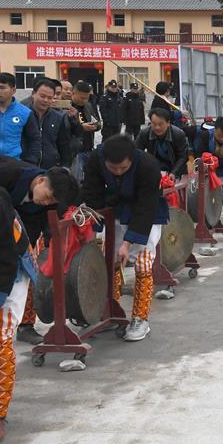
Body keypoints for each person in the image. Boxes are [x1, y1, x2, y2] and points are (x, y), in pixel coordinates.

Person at [0, 155, 80, 444]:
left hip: (10, 265)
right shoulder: (6, 180)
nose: (48, 203)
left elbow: (3, 261)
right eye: (49, 197)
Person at [81, 135, 168, 341]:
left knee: (143, 264)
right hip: (116, 211)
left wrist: (128, 243)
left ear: (132, 159)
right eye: (113, 168)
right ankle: (111, 310)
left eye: (123, 168)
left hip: (146, 215)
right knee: (111, 261)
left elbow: (147, 207)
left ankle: (140, 319)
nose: (118, 172)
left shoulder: (148, 165)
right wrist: (92, 232)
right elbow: (92, 194)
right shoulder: (95, 159)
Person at [0, 155, 80, 348]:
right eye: (48, 196)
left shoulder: (46, 204)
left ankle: (26, 325)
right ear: (41, 180)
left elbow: (32, 229)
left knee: (27, 271)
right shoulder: (5, 173)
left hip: (14, 232)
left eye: (52, 201)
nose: (47, 202)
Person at [22, 77, 73, 169]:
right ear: (33, 94)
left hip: (50, 167)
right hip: (26, 165)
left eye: (49, 98)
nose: (45, 100)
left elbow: (63, 144)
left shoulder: (58, 117)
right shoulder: (22, 114)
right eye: (42, 96)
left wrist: (65, 166)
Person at [0, 72, 41, 164]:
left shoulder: (25, 113)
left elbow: (34, 140)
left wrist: (30, 162)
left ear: (13, 90)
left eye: (2, 88)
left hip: (15, 164)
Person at [135, 108, 190, 178]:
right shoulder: (145, 133)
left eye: (161, 124)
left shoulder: (178, 134)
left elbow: (183, 157)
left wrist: (174, 173)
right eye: (154, 124)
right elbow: (136, 153)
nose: (157, 127)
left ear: (168, 123)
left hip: (175, 168)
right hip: (155, 168)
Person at [66, 81, 101, 181]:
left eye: (87, 98)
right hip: (74, 150)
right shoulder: (66, 107)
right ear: (74, 93)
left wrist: (96, 126)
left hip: (88, 148)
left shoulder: (89, 106)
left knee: (90, 179)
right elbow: (65, 128)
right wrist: (81, 127)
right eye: (82, 98)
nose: (85, 100)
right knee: (75, 179)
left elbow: (98, 121)